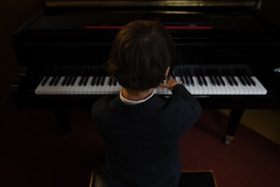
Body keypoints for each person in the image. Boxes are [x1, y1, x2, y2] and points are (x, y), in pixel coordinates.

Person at [91, 19, 202, 187]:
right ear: (165, 71)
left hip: (119, 179)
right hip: (164, 180)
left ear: (114, 66)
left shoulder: (99, 111)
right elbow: (194, 106)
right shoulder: (177, 115)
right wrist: (176, 87)